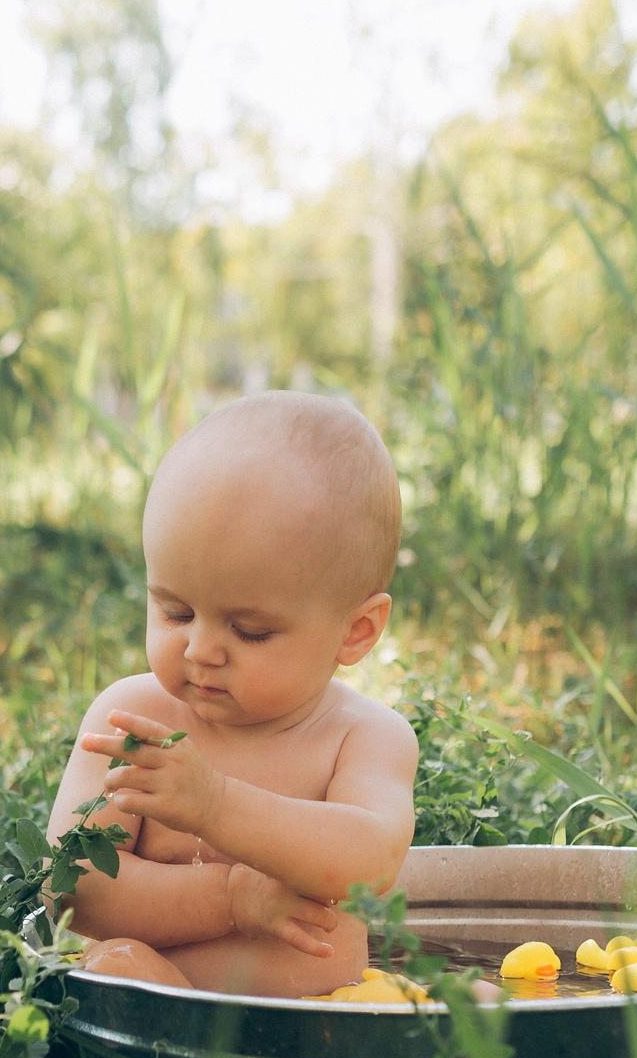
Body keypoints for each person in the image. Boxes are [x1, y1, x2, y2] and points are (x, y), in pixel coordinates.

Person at [45, 391, 416, 996]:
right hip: (161, 1000)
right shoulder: (133, 719)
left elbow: (369, 863)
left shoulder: (363, 737)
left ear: (356, 631)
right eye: (176, 611)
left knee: (475, 1006)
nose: (200, 650)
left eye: (250, 630)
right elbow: (71, 888)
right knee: (117, 968)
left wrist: (216, 806)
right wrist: (232, 897)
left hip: (328, 1018)